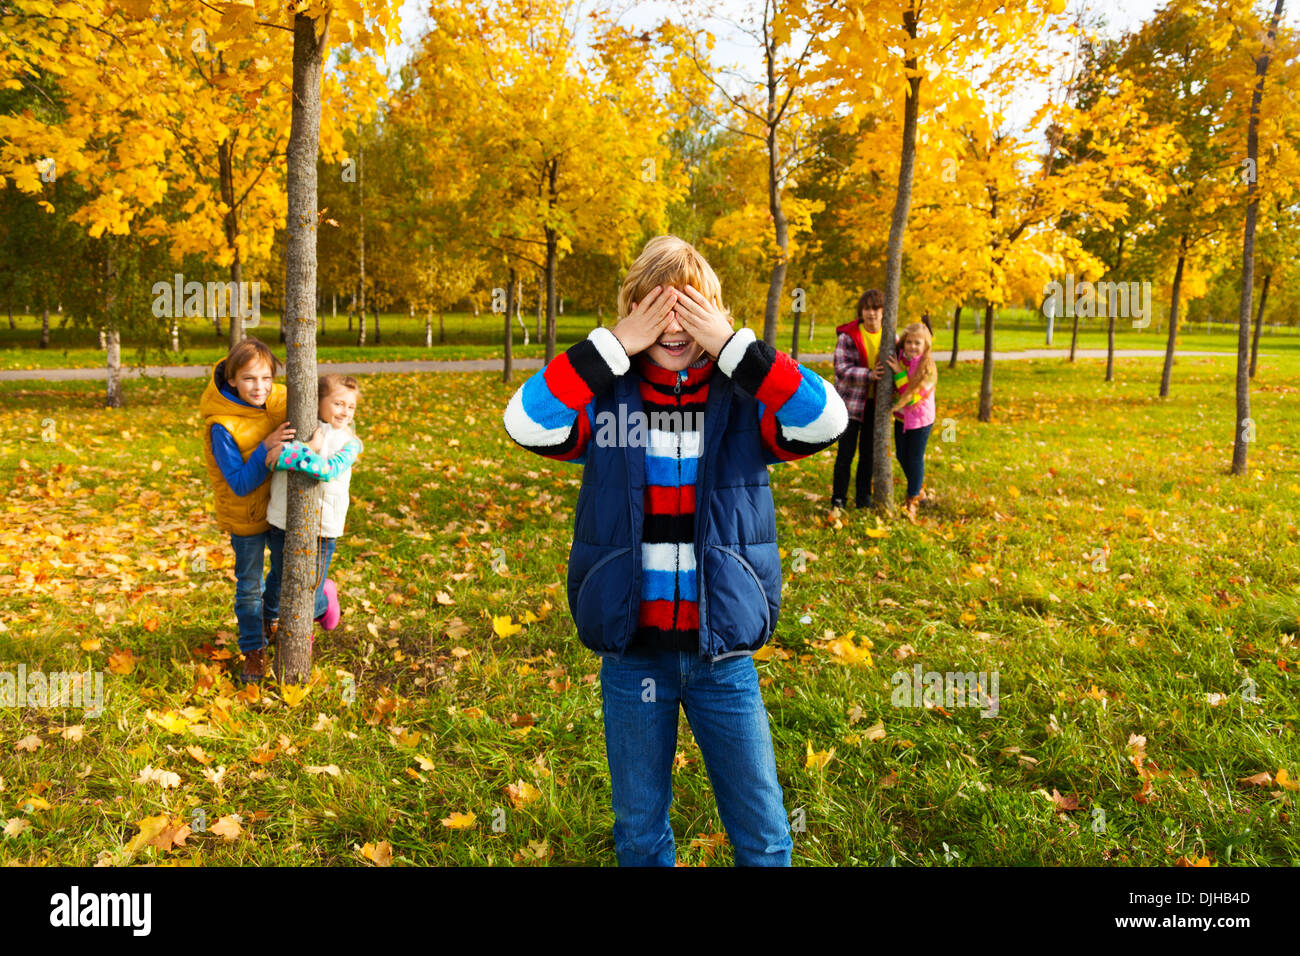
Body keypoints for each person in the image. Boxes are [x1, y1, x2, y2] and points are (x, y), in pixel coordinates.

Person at [503, 234, 848, 866]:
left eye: (689, 307)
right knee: (639, 830)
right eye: (655, 308)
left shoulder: (744, 397)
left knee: (764, 830)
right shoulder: (608, 400)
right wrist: (611, 346)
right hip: (635, 653)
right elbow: (526, 421)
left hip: (724, 653)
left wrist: (734, 347)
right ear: (631, 314)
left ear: (714, 315)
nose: (672, 323)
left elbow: (827, 419)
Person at [199, 338, 292, 683]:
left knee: (284, 574)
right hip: (246, 514)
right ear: (233, 379)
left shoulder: (278, 400)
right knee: (248, 585)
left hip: (282, 508)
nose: (260, 387)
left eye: (267, 378)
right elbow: (238, 482)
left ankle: (271, 618)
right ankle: (253, 650)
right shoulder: (221, 425)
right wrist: (266, 449)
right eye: (250, 379)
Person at [262, 373, 365, 661]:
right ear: (317, 402)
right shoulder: (296, 427)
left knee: (309, 589)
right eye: (338, 403)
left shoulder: (351, 443)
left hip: (322, 528)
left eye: (351, 406)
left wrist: (302, 451)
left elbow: (327, 469)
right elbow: (270, 460)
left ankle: (322, 605)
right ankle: (267, 622)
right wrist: (294, 448)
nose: (345, 411)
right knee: (279, 579)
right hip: (282, 519)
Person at [831, 290, 886, 511]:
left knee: (868, 455)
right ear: (861, 312)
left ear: (884, 312)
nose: (871, 313)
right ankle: (838, 499)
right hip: (850, 406)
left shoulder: (890, 336)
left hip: (875, 406)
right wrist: (869, 374)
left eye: (876, 308)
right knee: (845, 454)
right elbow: (841, 370)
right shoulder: (849, 336)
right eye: (867, 309)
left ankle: (863, 499)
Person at [885, 321, 938, 521]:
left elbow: (911, 396)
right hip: (901, 418)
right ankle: (918, 488)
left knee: (914, 459)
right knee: (901, 456)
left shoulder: (929, 369)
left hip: (920, 420)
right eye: (909, 342)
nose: (913, 347)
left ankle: (912, 498)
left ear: (926, 346)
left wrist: (898, 371)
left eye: (918, 343)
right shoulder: (900, 356)